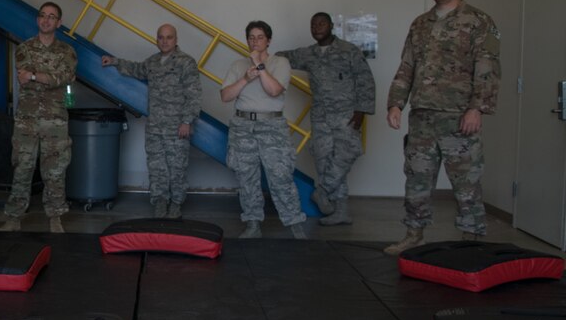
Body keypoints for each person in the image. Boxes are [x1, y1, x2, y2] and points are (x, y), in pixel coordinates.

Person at [384, 0, 501, 254]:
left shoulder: (478, 21)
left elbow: (487, 68)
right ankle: (414, 234)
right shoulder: (420, 24)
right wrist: (396, 103)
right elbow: (407, 67)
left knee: (466, 183)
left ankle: (472, 240)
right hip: (422, 118)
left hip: (459, 118)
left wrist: (477, 108)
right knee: (417, 180)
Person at [277, 13, 376, 225]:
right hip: (321, 117)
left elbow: (365, 80)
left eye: (321, 23)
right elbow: (280, 57)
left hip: (346, 116)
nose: (317, 27)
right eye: (313, 24)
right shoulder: (308, 54)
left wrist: (361, 111)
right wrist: (261, 54)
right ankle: (340, 212)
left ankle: (322, 191)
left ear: (331, 26)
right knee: (324, 160)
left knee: (346, 155)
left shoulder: (349, 51)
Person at [101, 23, 200, 218]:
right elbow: (136, 69)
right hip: (154, 127)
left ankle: (176, 204)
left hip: (177, 126)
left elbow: (194, 94)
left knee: (177, 167)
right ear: (156, 40)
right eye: (161, 37)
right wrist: (114, 61)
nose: (164, 41)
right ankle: (160, 202)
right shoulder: (153, 62)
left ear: (176, 40)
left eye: (169, 37)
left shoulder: (186, 62)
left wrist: (187, 121)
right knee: (156, 167)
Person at [220, 21, 308, 239]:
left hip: (272, 127)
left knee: (280, 176)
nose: (255, 41)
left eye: (260, 37)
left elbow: (274, 90)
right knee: (246, 178)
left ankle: (295, 225)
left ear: (268, 40)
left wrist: (259, 67)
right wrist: (245, 78)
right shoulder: (238, 65)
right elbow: (225, 96)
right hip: (243, 127)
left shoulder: (280, 62)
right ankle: (252, 224)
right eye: (251, 37)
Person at [0, 2, 78, 233]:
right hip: (27, 118)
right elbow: (26, 77)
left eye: (51, 17)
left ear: (59, 23)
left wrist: (35, 75)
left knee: (55, 169)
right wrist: (47, 77)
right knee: (22, 166)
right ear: (38, 20)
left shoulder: (67, 52)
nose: (46, 20)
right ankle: (14, 217)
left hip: (55, 120)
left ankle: (55, 217)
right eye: (43, 15)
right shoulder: (24, 49)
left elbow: (64, 78)